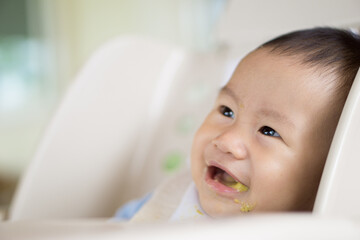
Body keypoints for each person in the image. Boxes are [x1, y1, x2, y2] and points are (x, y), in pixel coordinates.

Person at [115, 27, 360, 222]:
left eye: (269, 131)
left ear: (325, 177)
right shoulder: (174, 197)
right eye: (227, 111)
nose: (226, 141)